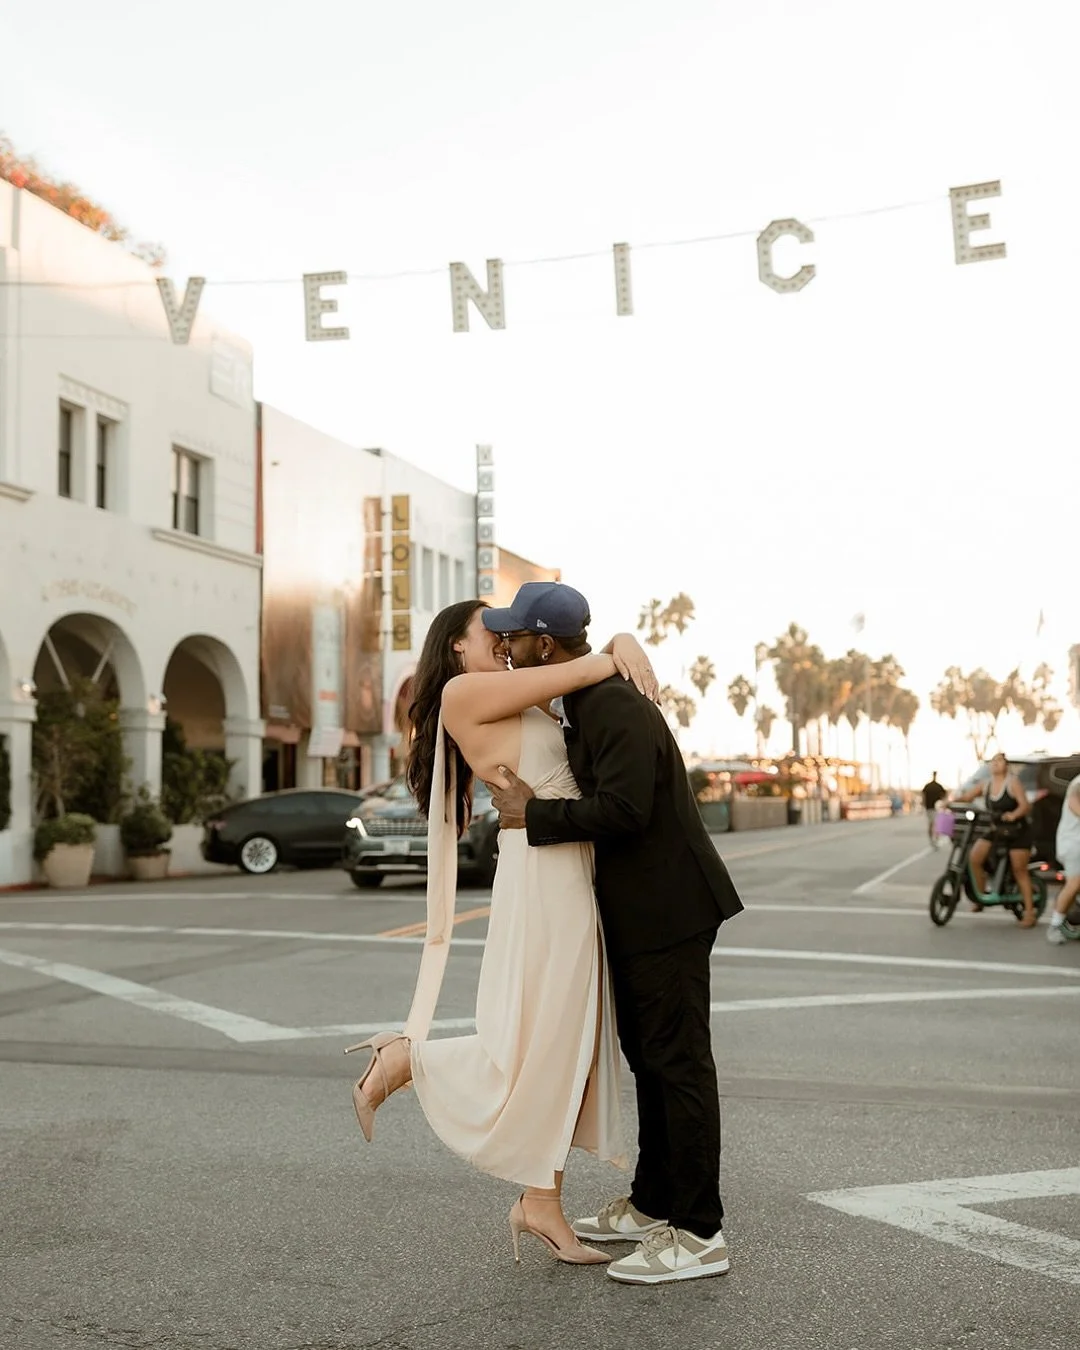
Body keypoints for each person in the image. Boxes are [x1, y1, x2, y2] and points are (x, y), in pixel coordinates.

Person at [343, 598, 659, 1266]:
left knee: (561, 1039)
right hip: (545, 874)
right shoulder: (465, 694)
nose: (506, 636)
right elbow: (575, 674)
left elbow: (574, 683)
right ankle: (407, 1061)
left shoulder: (516, 700)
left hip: (568, 865)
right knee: (546, 1036)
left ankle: (541, 1202)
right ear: (457, 647)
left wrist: (620, 642)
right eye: (490, 628)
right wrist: (620, 645)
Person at [485, 581, 745, 1286]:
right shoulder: (587, 699)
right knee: (653, 1063)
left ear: (544, 642)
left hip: (670, 909)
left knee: (679, 1066)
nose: (505, 647)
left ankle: (699, 1232)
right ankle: (654, 1202)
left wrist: (531, 816)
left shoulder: (613, 707)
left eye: (514, 636)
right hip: (639, 911)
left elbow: (626, 810)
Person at [950, 752, 1037, 926]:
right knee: (974, 858)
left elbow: (1024, 806)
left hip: (1017, 831)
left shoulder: (1013, 783)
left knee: (1019, 869)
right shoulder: (986, 784)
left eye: (999, 761)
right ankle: (980, 897)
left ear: (1006, 765)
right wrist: (949, 802)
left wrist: (1013, 815)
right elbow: (968, 797)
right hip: (997, 829)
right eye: (993, 761)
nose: (995, 763)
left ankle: (1029, 913)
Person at [1047, 771, 1080, 944]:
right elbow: (1076, 806)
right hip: (1074, 844)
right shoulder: (1078, 784)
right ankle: (1054, 925)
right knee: (1074, 883)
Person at [921, 772, 948, 845]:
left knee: (932, 824)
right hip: (933, 807)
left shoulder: (929, 786)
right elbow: (944, 795)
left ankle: (933, 839)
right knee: (934, 824)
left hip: (931, 807)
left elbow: (923, 795)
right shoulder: (937, 786)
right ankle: (934, 839)